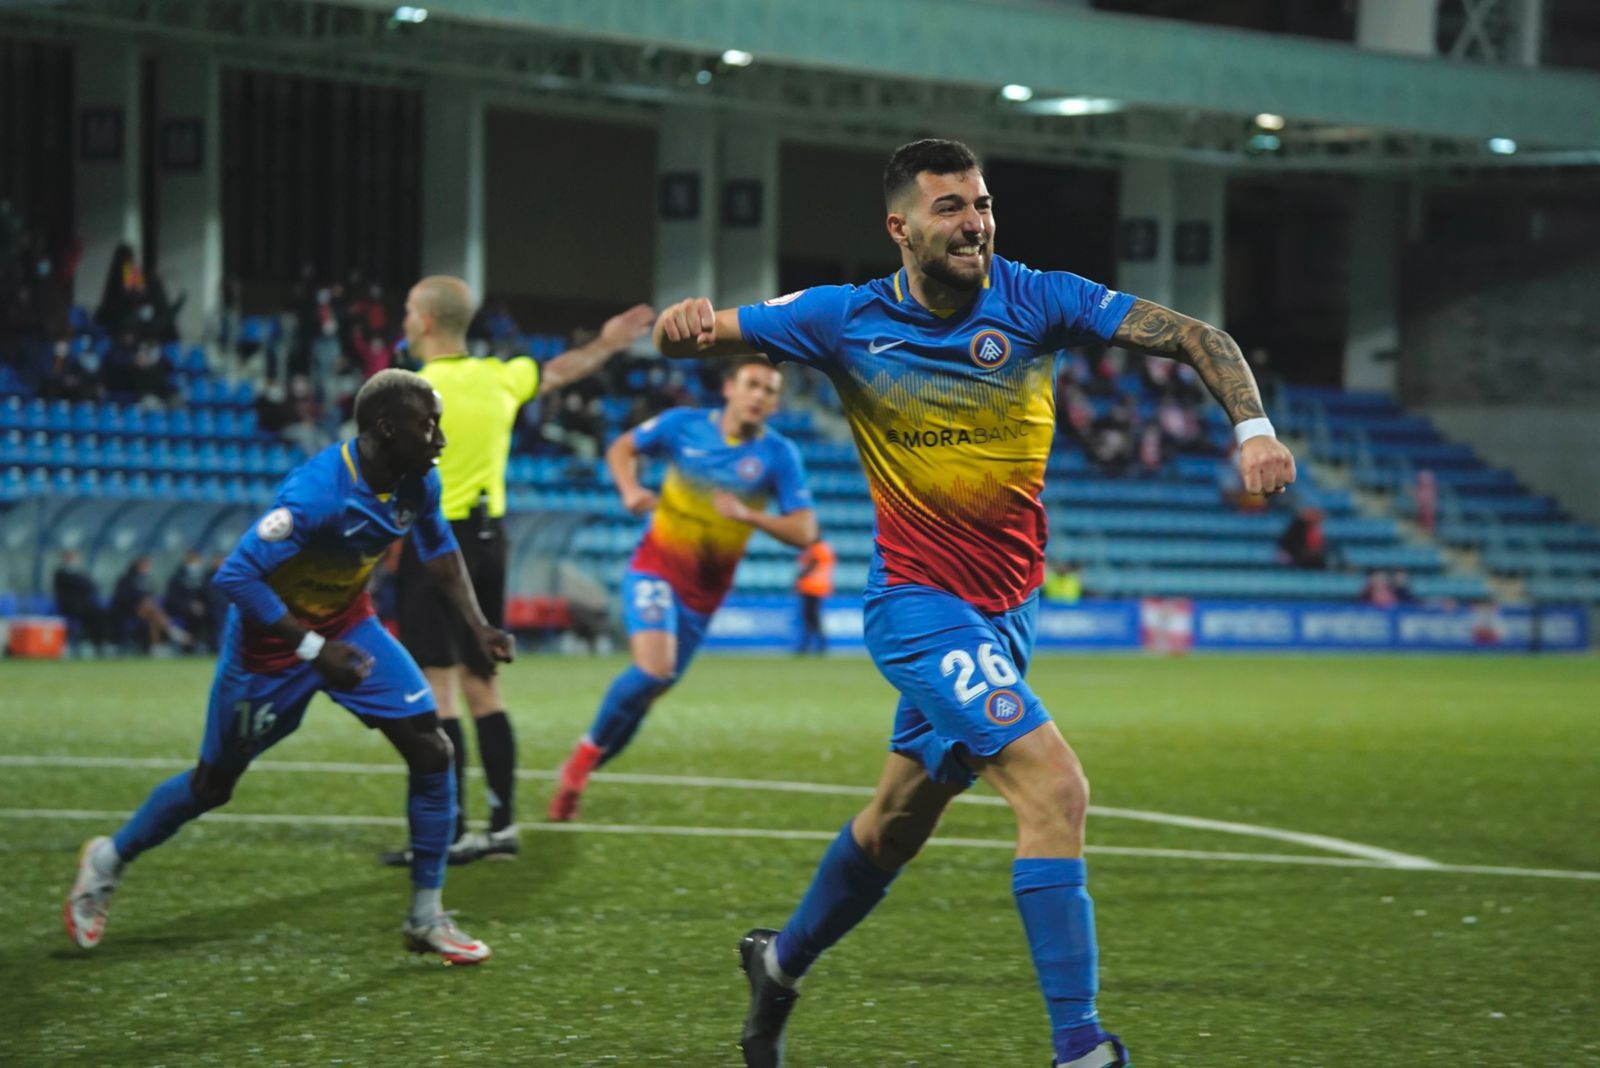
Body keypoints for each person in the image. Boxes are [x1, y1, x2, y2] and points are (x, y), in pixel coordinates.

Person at [651, 138, 1295, 1068]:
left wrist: (1254, 429)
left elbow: (1200, 336)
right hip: (918, 607)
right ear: (899, 226)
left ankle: (780, 964)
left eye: (982, 204)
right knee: (1056, 789)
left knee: (896, 825)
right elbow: (704, 334)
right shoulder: (843, 318)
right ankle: (1080, 1047)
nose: (974, 223)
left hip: (1007, 614)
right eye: (950, 207)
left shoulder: (1038, 299)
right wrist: (682, 329)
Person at [64, 369, 513, 964]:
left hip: (350, 627)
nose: (440, 439)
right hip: (270, 654)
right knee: (211, 786)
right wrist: (313, 651)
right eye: (429, 425)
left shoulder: (417, 481)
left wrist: (477, 625)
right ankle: (105, 862)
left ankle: (425, 917)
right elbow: (236, 575)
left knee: (433, 749)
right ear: (385, 429)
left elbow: (439, 552)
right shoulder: (316, 494)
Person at [379, 275, 652, 866]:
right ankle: (500, 825)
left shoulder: (408, 391)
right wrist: (606, 342)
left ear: (424, 320)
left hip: (433, 542)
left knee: (438, 689)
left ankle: (447, 831)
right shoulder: (500, 376)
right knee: (485, 686)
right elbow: (560, 370)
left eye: (407, 310)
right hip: (487, 539)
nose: (404, 319)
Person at [547, 356, 817, 821]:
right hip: (654, 568)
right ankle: (577, 766)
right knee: (653, 670)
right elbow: (621, 448)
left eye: (770, 391)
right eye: (752, 384)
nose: (759, 396)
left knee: (650, 691)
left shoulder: (778, 455)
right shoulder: (682, 426)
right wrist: (630, 490)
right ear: (729, 386)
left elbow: (805, 530)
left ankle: (585, 764)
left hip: (704, 595)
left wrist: (750, 516)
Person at [53, 549, 112, 654]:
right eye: (70, 558)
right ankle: (77, 644)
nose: (73, 560)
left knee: (100, 614)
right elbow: (73, 586)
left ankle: (100, 643)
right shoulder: (60, 573)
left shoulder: (80, 573)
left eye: (74, 558)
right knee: (85, 613)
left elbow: (93, 586)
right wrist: (81, 583)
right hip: (69, 606)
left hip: (84, 605)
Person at [794, 536, 836, 655]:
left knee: (811, 618)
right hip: (816, 586)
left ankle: (812, 645)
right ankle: (813, 645)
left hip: (812, 587)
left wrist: (800, 575)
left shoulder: (816, 549)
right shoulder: (824, 548)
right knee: (811, 618)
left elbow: (813, 563)